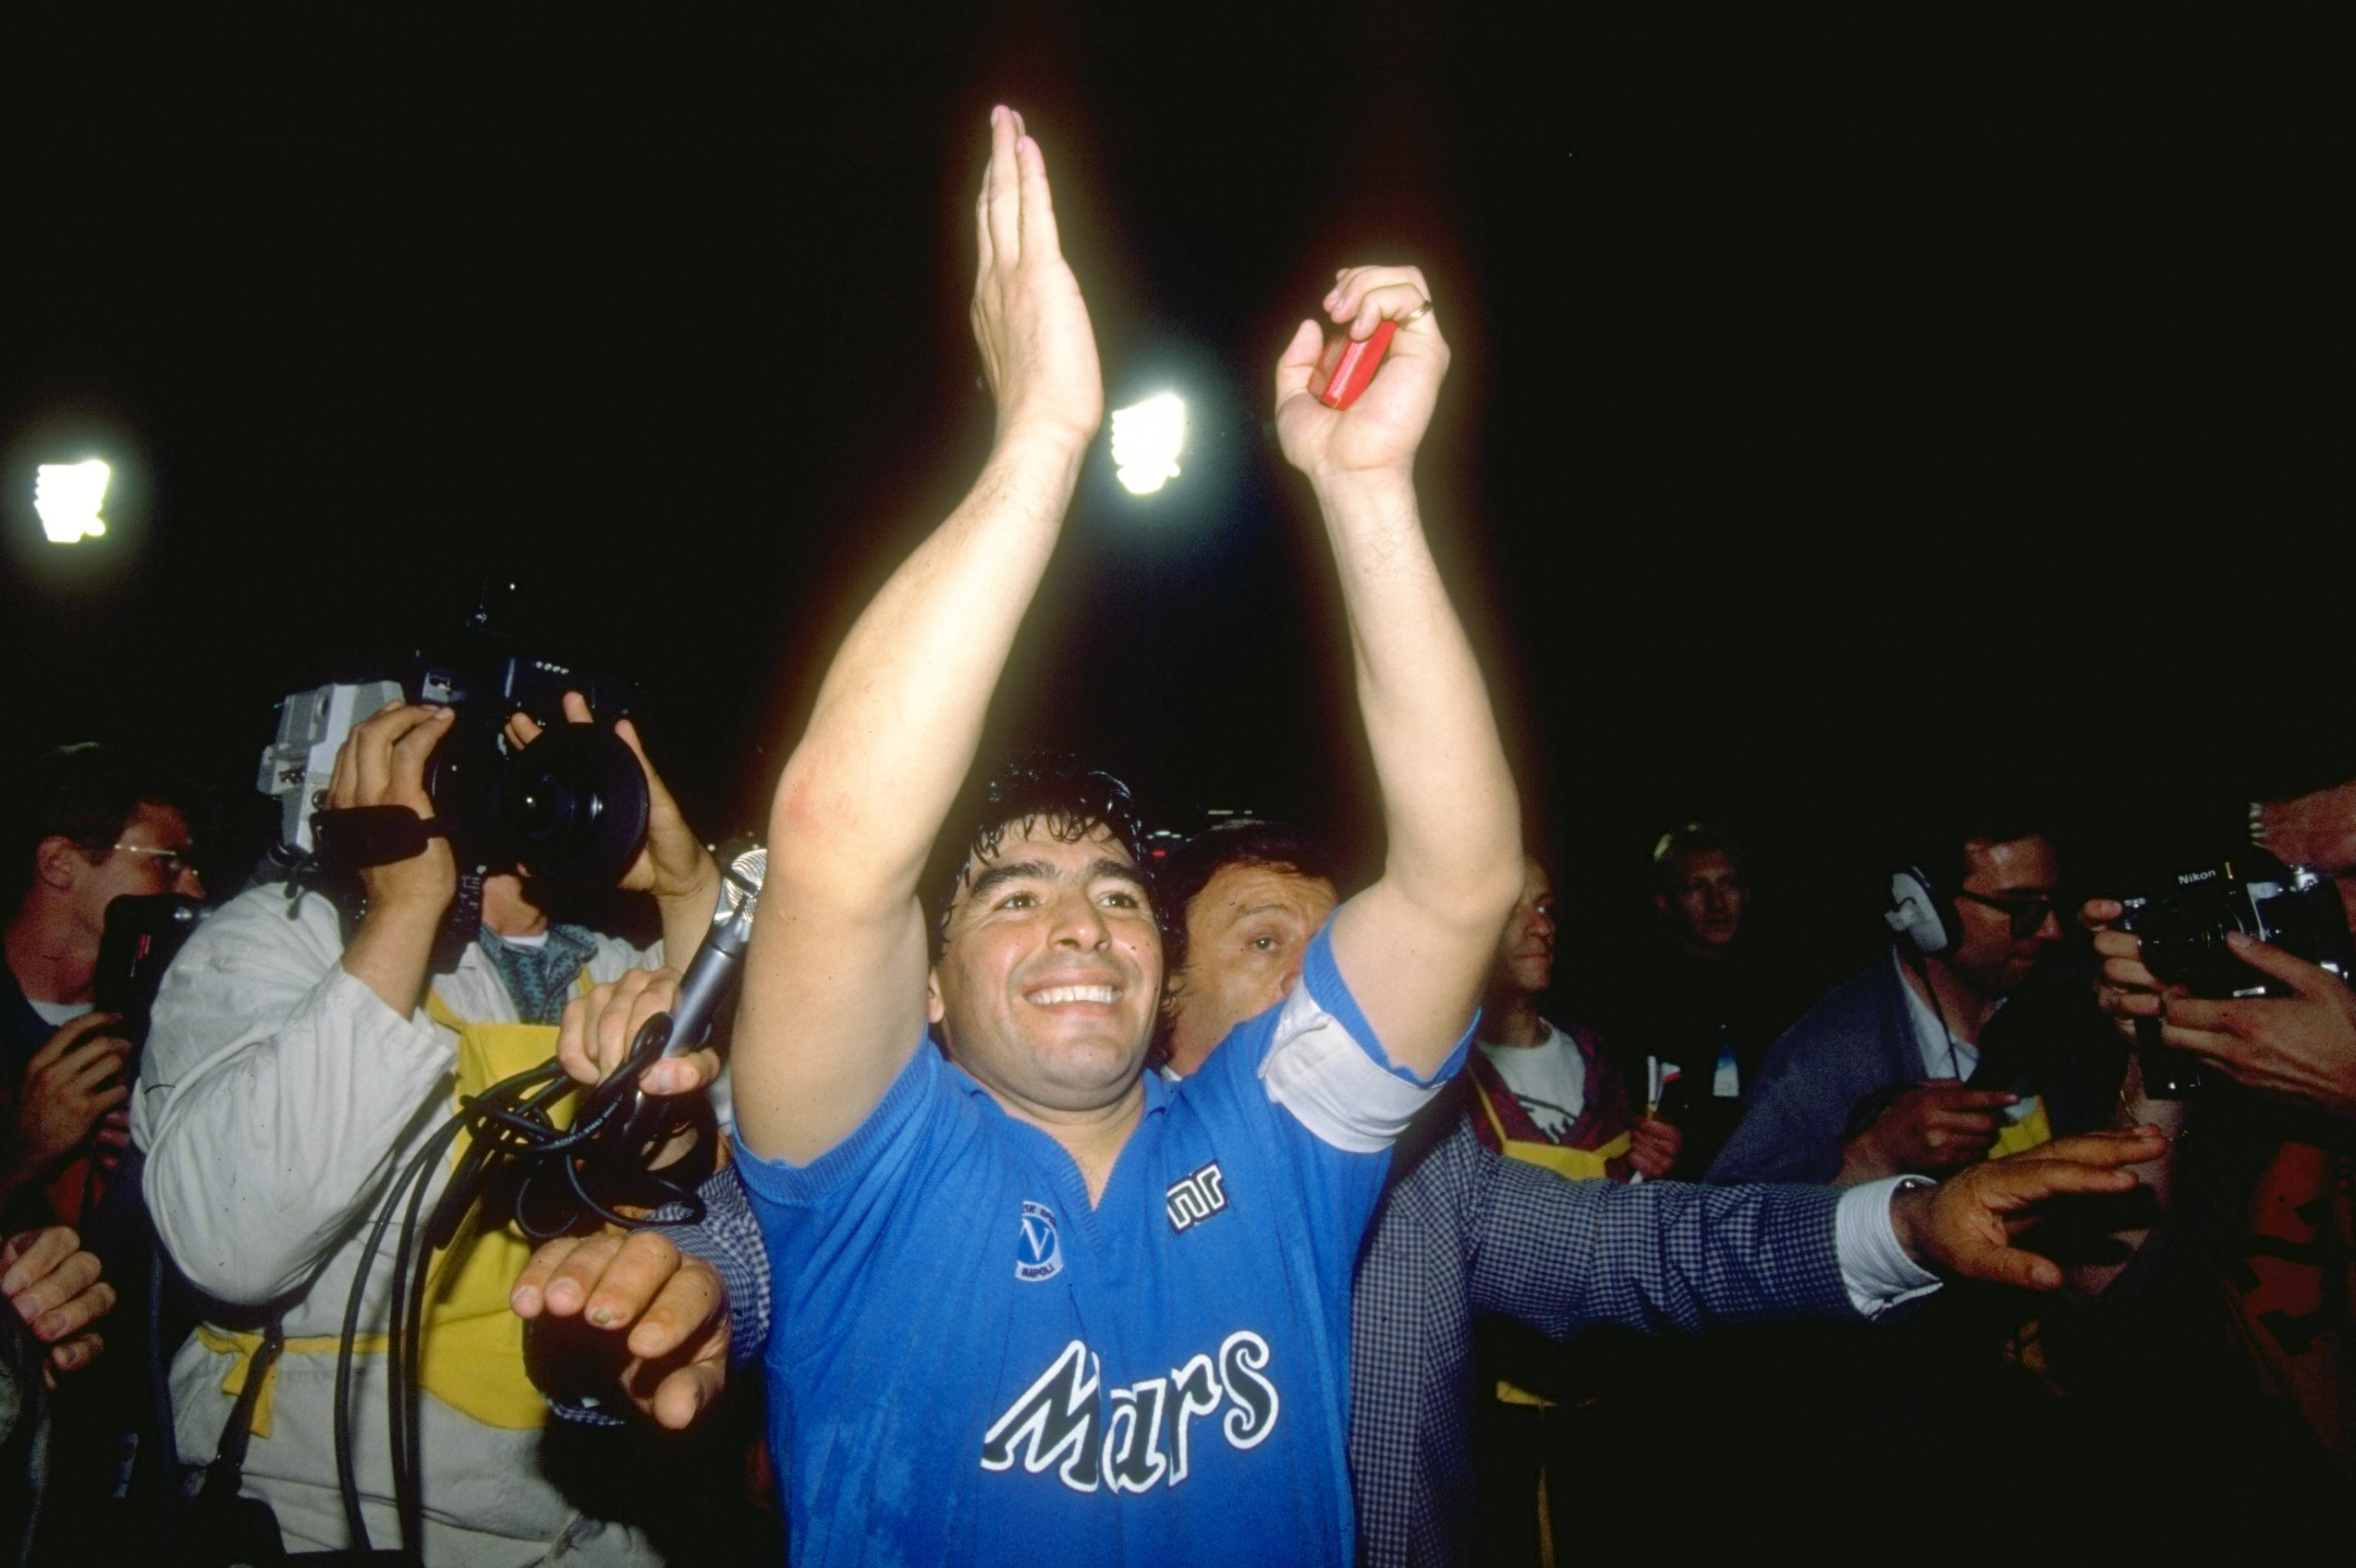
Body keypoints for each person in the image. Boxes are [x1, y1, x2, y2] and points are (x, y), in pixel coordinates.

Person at [540, 814, 2171, 1566]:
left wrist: (1903, 1220)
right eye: (1270, 946)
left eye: (1344, 942)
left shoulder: (1420, 1175)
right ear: (1161, 1003)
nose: (1334, 978)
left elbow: (1652, 1248)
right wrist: (676, 1275)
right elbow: (770, 1241)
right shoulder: (989, 1153)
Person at [718, 104, 1526, 1566]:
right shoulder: (860, 1162)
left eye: (1111, 892)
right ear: (930, 985)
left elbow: (1460, 880)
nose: (1079, 922)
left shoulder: (1278, 1136)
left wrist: (1366, 490)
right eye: (1013, 895)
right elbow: (837, 837)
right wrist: (1039, 433)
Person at [133, 691, 719, 1564]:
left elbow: (778, 1162)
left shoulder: (615, 966)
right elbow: (231, 1242)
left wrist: (687, 891)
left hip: (586, 1522)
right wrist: (404, 908)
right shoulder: (277, 939)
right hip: (330, 1508)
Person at [1709, 813, 2075, 1185]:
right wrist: (1872, 1156)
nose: (2051, 930)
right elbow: (1725, 1220)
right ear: (1926, 911)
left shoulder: (2067, 1011)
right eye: (2023, 910)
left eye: (2052, 904)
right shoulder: (1825, 1056)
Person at [2, 744, 205, 1232]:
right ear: (58, 863)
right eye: (167, 862)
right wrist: (24, 1156)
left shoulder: (159, 1026)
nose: (195, 892)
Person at [1469, 854, 1678, 1182]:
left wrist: (1651, 1158)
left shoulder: (1595, 1054)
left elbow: (1627, 1186)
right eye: (1510, 910)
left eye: (1544, 908)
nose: (1542, 926)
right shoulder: (1448, 1080)